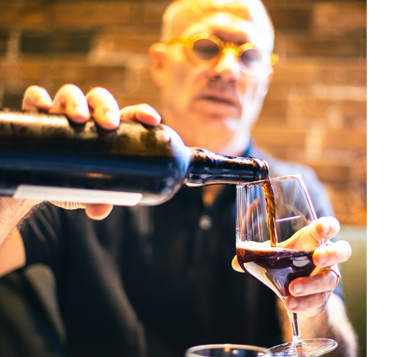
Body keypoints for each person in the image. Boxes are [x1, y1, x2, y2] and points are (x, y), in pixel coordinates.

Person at [0, 0, 357, 356]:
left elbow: (341, 352)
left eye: (249, 56)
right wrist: (29, 177)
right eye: (205, 47)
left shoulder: (293, 189)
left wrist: (311, 305)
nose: (228, 69)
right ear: (159, 62)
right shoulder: (96, 176)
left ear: (265, 79)